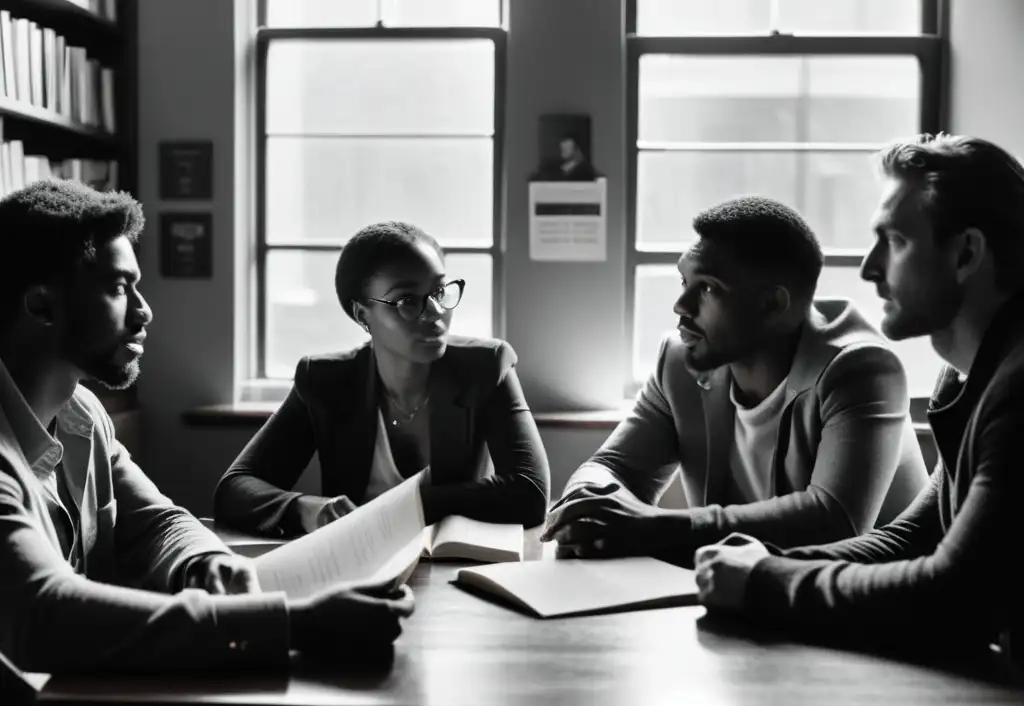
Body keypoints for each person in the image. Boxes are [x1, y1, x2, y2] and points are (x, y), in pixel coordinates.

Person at [0, 179, 413, 673]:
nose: (144, 310)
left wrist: (205, 562)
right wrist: (295, 625)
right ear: (42, 306)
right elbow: (43, 616)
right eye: (117, 287)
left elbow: (159, 522)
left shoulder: (82, 414)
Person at [693, 134, 1024, 662]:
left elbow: (954, 594)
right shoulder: (967, 375)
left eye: (893, 240)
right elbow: (913, 539)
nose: (870, 267)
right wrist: (768, 561)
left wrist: (763, 581)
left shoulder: (1017, 388)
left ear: (966, 254)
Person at [542, 196, 928, 564]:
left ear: (772, 305)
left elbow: (834, 521)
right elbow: (614, 467)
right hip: (746, 597)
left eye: (708, 288)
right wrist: (586, 502)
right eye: (683, 282)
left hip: (868, 613)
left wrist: (648, 527)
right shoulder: (679, 362)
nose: (681, 306)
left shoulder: (862, 370)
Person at [214, 221, 550, 538]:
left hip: (458, 570)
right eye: (407, 300)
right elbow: (234, 489)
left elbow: (531, 493)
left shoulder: (486, 367)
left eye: (439, 291)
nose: (435, 312)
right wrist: (305, 509)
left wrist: (405, 507)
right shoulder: (324, 381)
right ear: (363, 315)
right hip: (357, 572)